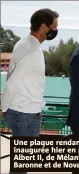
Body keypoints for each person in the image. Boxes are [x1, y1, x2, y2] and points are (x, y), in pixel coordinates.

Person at [0, 8, 59, 141]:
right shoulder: (32, 51)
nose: (55, 31)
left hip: (20, 111)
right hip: (25, 114)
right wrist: (3, 107)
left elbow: (10, 76)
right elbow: (13, 83)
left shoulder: (23, 43)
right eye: (54, 27)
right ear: (44, 27)